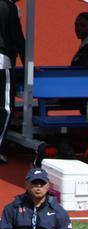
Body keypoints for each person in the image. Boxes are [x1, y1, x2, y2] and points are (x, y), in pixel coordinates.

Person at [0, 0, 25, 164]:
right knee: (6, 107)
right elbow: (17, 37)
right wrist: (28, 62)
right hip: (2, 61)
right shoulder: (8, 7)